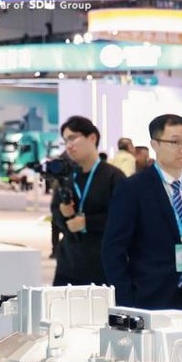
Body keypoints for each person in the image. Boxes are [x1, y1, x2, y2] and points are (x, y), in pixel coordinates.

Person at [102, 114, 182, 312]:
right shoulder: (133, 188)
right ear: (155, 144)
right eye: (175, 142)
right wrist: (126, 298)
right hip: (147, 298)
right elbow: (113, 248)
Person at [51, 116, 126, 286]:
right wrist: (63, 215)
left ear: (92, 138)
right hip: (68, 265)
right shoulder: (66, 177)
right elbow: (55, 213)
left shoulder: (113, 176)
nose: (69, 145)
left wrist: (88, 223)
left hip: (103, 267)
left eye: (73, 138)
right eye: (65, 141)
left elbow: (123, 218)